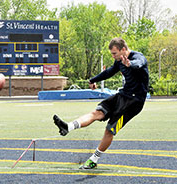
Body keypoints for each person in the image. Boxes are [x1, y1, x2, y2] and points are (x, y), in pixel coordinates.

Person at [53, 37, 149, 169]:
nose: (113, 56)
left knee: (109, 130)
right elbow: (109, 72)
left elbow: (139, 63)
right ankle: (68, 127)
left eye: (114, 53)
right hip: (122, 95)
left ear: (123, 49)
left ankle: (93, 160)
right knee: (97, 112)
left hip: (134, 103)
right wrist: (92, 80)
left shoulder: (138, 57)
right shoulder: (119, 61)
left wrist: (129, 64)